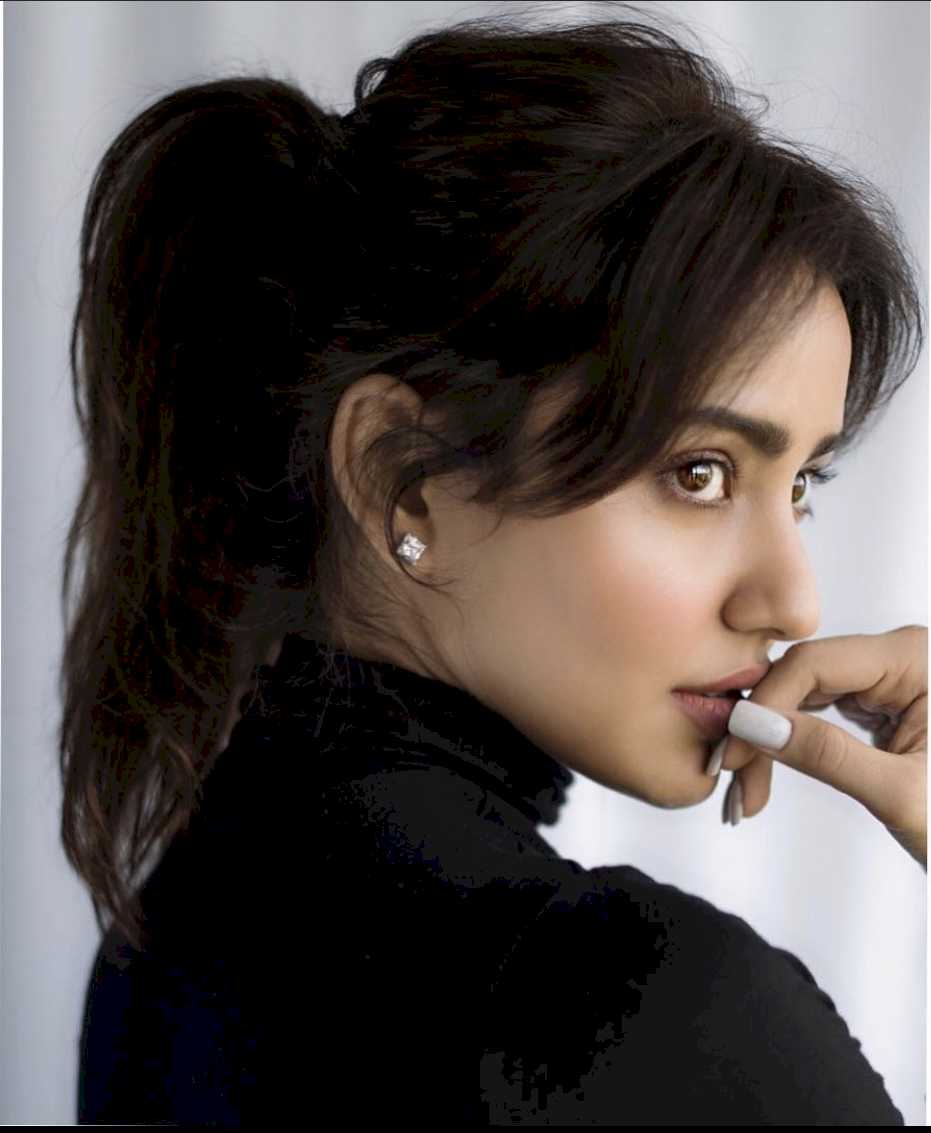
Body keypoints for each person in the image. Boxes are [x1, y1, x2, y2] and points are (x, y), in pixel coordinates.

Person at [62, 4, 925, 1125]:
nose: (792, 598)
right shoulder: (637, 1011)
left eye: (800, 482)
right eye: (700, 471)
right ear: (402, 477)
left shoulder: (164, 930)